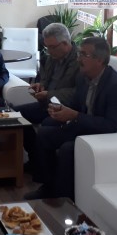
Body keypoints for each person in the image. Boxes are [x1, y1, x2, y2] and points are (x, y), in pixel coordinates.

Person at [24, 37, 117, 201]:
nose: (79, 59)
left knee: (68, 149)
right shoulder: (83, 79)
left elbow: (113, 126)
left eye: (84, 55)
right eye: (79, 53)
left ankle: (65, 199)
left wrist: (74, 116)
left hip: (106, 137)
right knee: (44, 134)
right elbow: (76, 106)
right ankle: (48, 187)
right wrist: (60, 110)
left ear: (99, 60)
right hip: (85, 127)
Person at [13, 23, 79, 169]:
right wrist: (40, 86)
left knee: (47, 124)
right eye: (47, 46)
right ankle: (35, 158)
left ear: (65, 43)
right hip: (47, 103)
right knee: (16, 115)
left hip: (66, 108)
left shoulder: (79, 60)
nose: (49, 50)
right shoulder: (51, 57)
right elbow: (46, 80)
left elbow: (77, 92)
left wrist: (48, 94)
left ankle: (45, 167)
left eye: (52, 47)